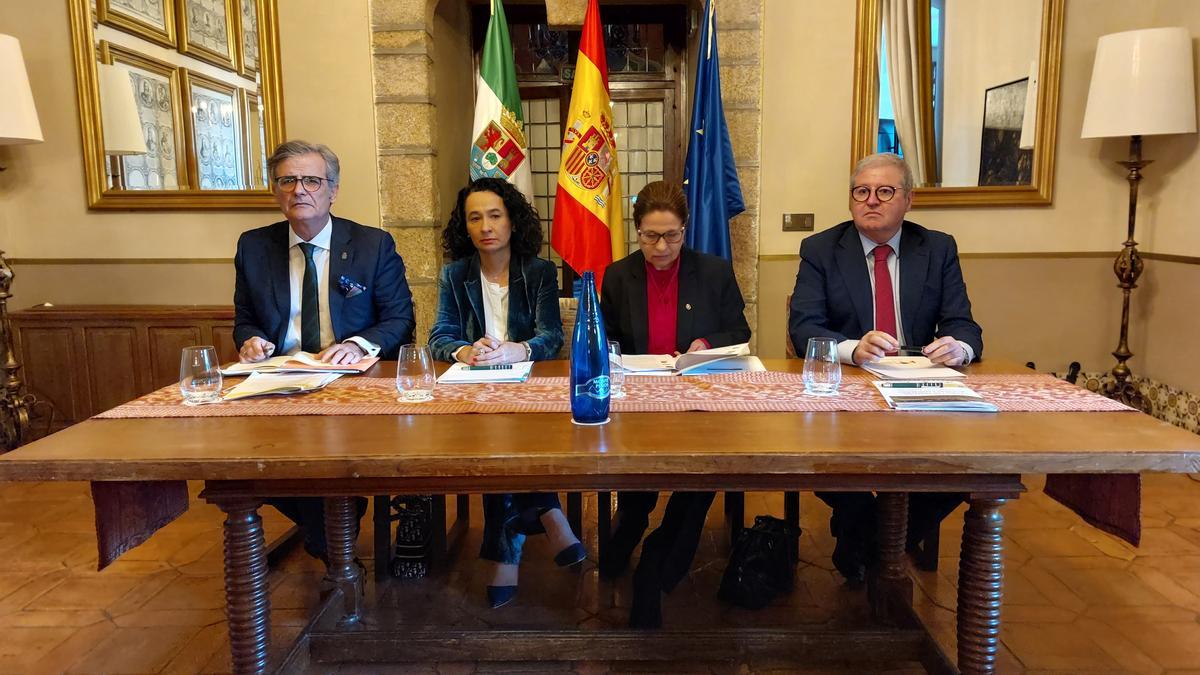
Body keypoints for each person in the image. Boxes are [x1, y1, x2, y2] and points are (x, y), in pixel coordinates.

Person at [788, 152, 983, 585]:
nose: (871, 201)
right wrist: (854, 348)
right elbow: (804, 328)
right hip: (847, 391)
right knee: (819, 456)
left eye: (884, 192)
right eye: (861, 192)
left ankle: (865, 544)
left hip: (920, 388)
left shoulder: (937, 248)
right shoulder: (821, 249)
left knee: (964, 465)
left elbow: (964, 324)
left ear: (908, 200)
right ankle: (872, 538)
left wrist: (960, 348)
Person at [233, 139, 416, 561]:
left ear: (332, 190)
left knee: (336, 456)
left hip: (352, 383)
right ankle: (334, 524)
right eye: (288, 180)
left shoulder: (372, 244)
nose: (300, 190)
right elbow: (245, 317)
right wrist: (251, 339)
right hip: (280, 381)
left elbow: (400, 319)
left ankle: (332, 530)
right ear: (275, 190)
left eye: (312, 181)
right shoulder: (254, 247)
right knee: (243, 462)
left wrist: (356, 344)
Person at [598, 180, 752, 628]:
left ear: (685, 231)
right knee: (636, 478)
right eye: (650, 236)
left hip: (697, 398)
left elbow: (738, 331)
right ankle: (630, 523)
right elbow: (607, 337)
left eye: (672, 235)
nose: (661, 246)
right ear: (637, 231)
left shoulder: (714, 270)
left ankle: (656, 567)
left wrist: (704, 343)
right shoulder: (617, 274)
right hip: (639, 398)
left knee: (698, 480)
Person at [428, 177, 584, 609]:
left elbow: (551, 336)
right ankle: (550, 514)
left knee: (508, 440)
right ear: (465, 226)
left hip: (528, 388)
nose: (485, 226)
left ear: (512, 221)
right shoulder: (454, 274)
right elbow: (439, 334)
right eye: (474, 217)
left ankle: (505, 558)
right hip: (473, 388)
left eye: (495, 215)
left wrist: (520, 348)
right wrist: (464, 349)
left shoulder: (538, 272)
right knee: (492, 439)